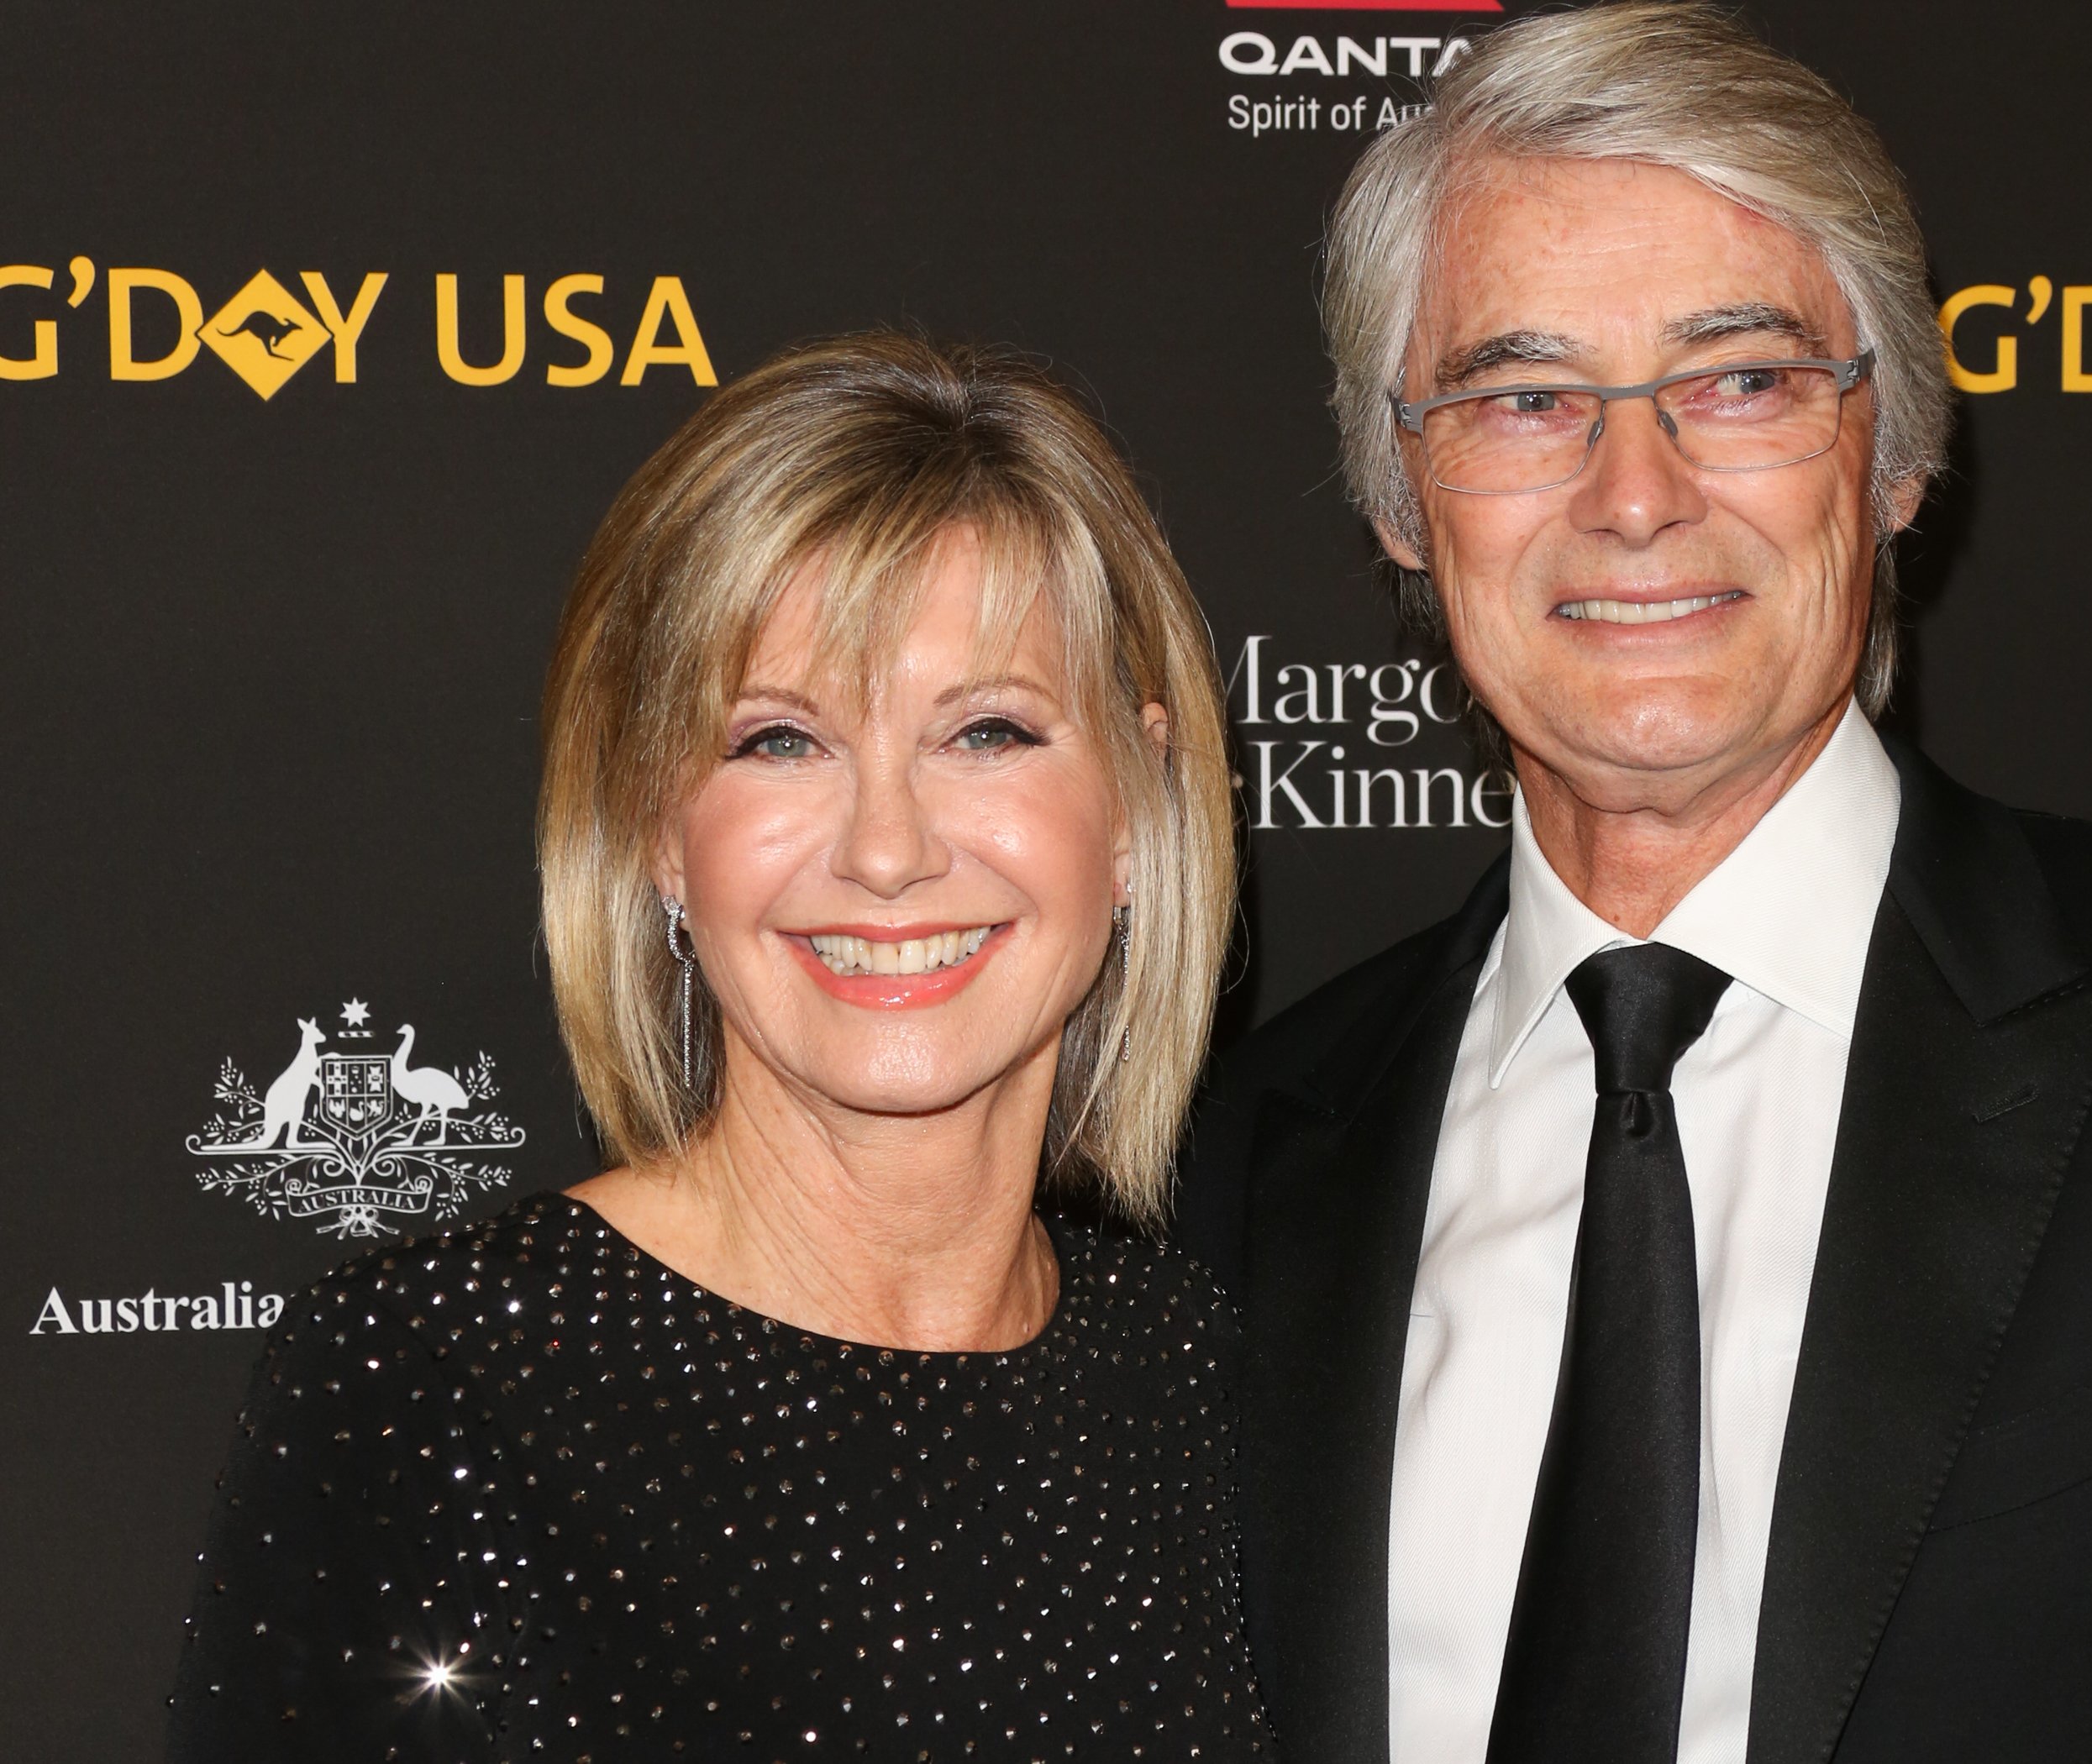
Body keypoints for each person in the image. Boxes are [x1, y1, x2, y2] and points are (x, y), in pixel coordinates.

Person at [1177, 7, 2092, 1763]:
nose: (1636, 496)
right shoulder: (1236, 1167)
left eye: (1741, 381)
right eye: (1525, 398)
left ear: (1891, 459)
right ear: (1403, 502)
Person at [170, 333, 1271, 1760]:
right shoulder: (433, 1385)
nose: (888, 852)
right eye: (779, 742)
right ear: (654, 831)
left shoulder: (1200, 1373)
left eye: (988, 731)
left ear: (1133, 809)